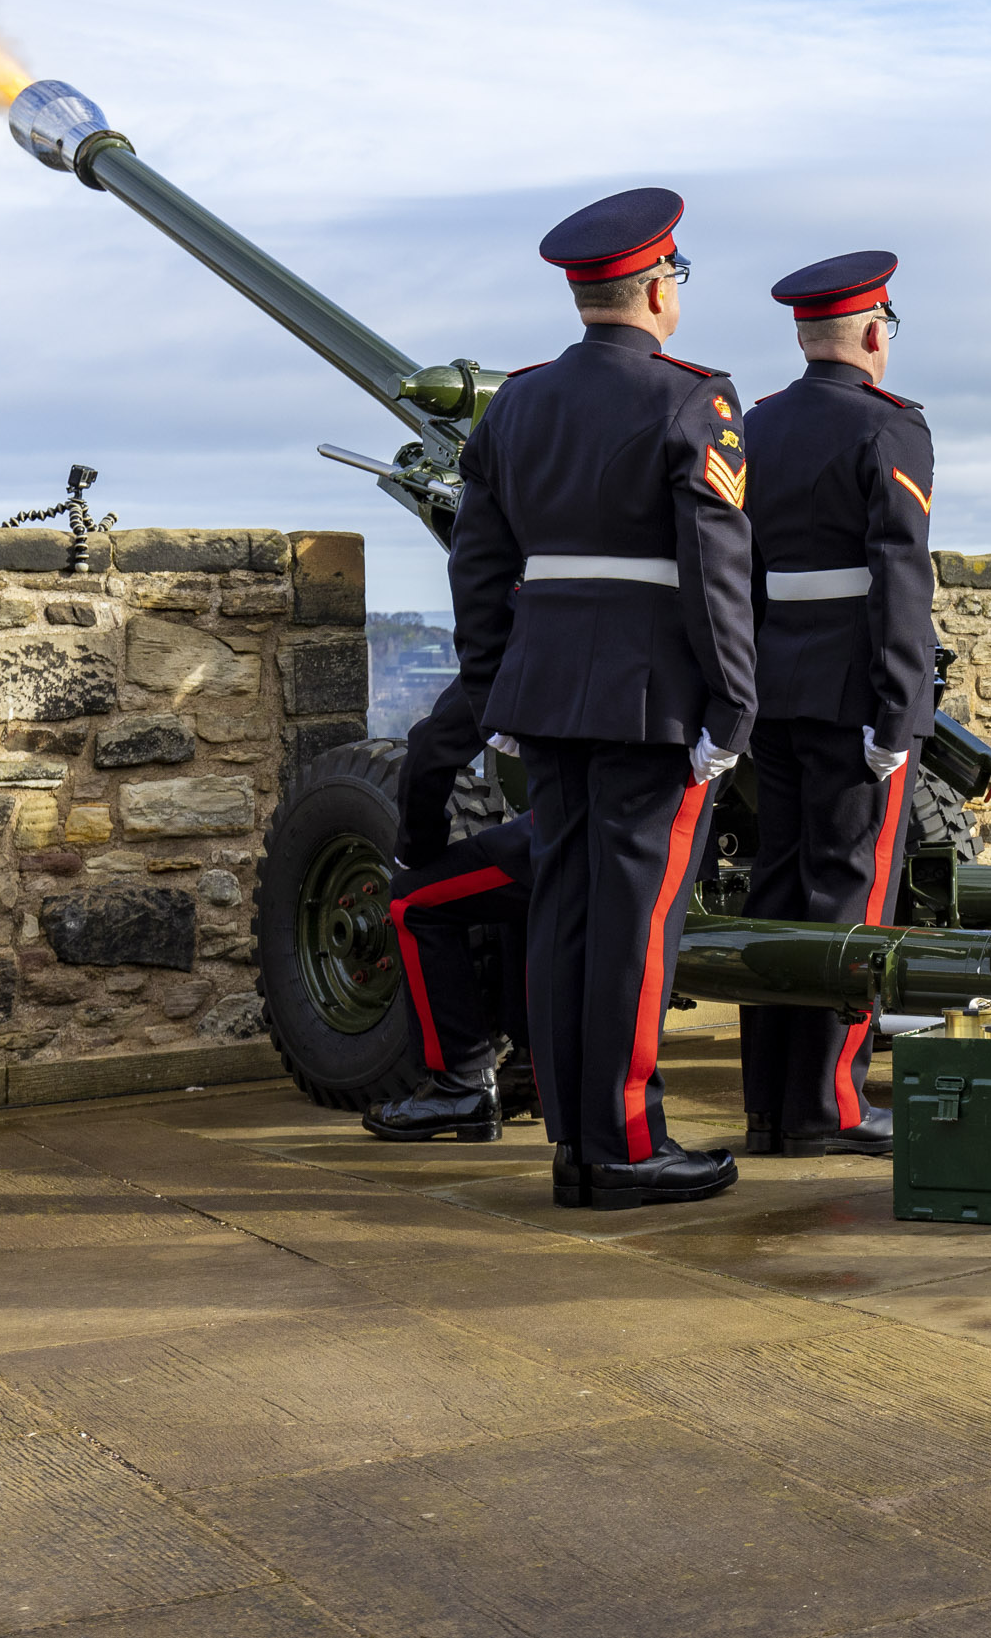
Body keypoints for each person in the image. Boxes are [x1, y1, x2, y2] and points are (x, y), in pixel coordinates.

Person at [446, 186, 757, 1212]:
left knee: (565, 917)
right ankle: (623, 1146)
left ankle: (578, 1145)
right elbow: (716, 569)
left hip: (547, 693)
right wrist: (733, 706)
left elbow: (480, 566)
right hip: (650, 700)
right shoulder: (692, 398)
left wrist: (492, 684)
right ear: (659, 289)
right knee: (635, 925)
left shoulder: (518, 403)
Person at [735, 250, 937, 1159]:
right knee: (848, 896)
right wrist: (901, 707)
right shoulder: (890, 427)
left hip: (772, 686)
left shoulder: (757, 424)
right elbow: (900, 576)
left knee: (777, 890)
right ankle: (832, 1105)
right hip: (856, 693)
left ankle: (773, 1105)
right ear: (870, 334)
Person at [362, 677, 534, 1142]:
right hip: (659, 824)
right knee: (520, 890)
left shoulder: (542, 620)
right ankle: (536, 1063)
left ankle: (460, 1083)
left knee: (413, 899)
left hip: (569, 828)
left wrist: (414, 850)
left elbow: (434, 746)